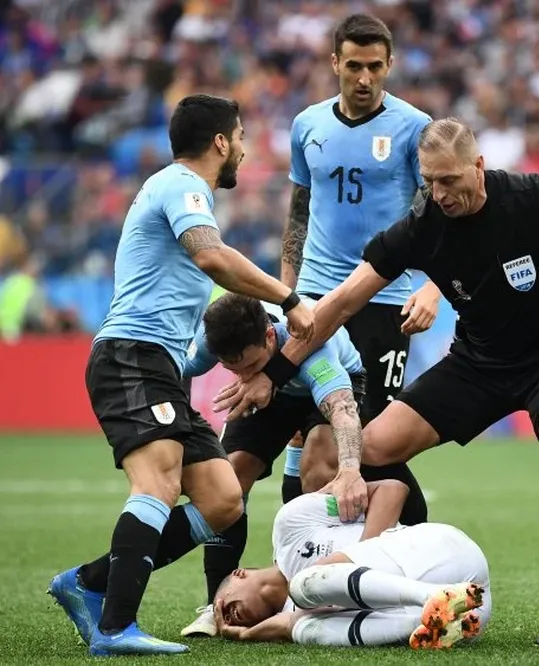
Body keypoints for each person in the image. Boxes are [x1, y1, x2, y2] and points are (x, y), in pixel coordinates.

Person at [213, 117, 539, 646]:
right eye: (429, 182)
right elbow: (340, 303)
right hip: (477, 364)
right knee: (368, 450)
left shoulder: (533, 196)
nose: (440, 194)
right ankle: (400, 559)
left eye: (450, 180)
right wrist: (276, 373)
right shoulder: (421, 227)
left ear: (479, 167)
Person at [46, 94, 315, 656]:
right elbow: (212, 258)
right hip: (131, 356)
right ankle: (117, 627)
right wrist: (288, 297)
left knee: (222, 499)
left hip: (159, 367)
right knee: (159, 484)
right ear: (221, 141)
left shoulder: (183, 191)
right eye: (240, 137)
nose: (243, 147)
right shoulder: (183, 186)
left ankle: (90, 583)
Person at [277, 13, 436, 528]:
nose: (364, 78)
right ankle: (307, 557)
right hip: (317, 295)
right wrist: (287, 291)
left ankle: (415, 537)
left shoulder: (415, 127)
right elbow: (299, 210)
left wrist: (432, 286)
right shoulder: (308, 125)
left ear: (389, 65)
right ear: (334, 64)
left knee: (370, 440)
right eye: (353, 66)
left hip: (385, 298)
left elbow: (441, 216)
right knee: (306, 433)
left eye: (374, 66)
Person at [179, 293, 367, 638]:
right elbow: (176, 366)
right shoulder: (216, 337)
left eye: (251, 366)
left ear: (270, 337)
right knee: (228, 481)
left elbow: (343, 410)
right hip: (275, 398)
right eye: (235, 370)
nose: (245, 375)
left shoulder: (312, 346)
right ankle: (212, 603)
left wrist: (350, 470)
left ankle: (319, 592)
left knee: (319, 471)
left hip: (329, 390)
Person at [211, 481, 491, 649]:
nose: (227, 617)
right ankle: (436, 622)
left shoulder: (291, 525)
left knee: (305, 586)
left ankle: (432, 598)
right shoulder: (293, 616)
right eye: (223, 621)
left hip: (441, 551)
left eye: (222, 606)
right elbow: (287, 626)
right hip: (474, 607)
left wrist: (360, 558)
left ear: (239, 573)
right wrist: (246, 634)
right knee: (307, 630)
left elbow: (390, 490)